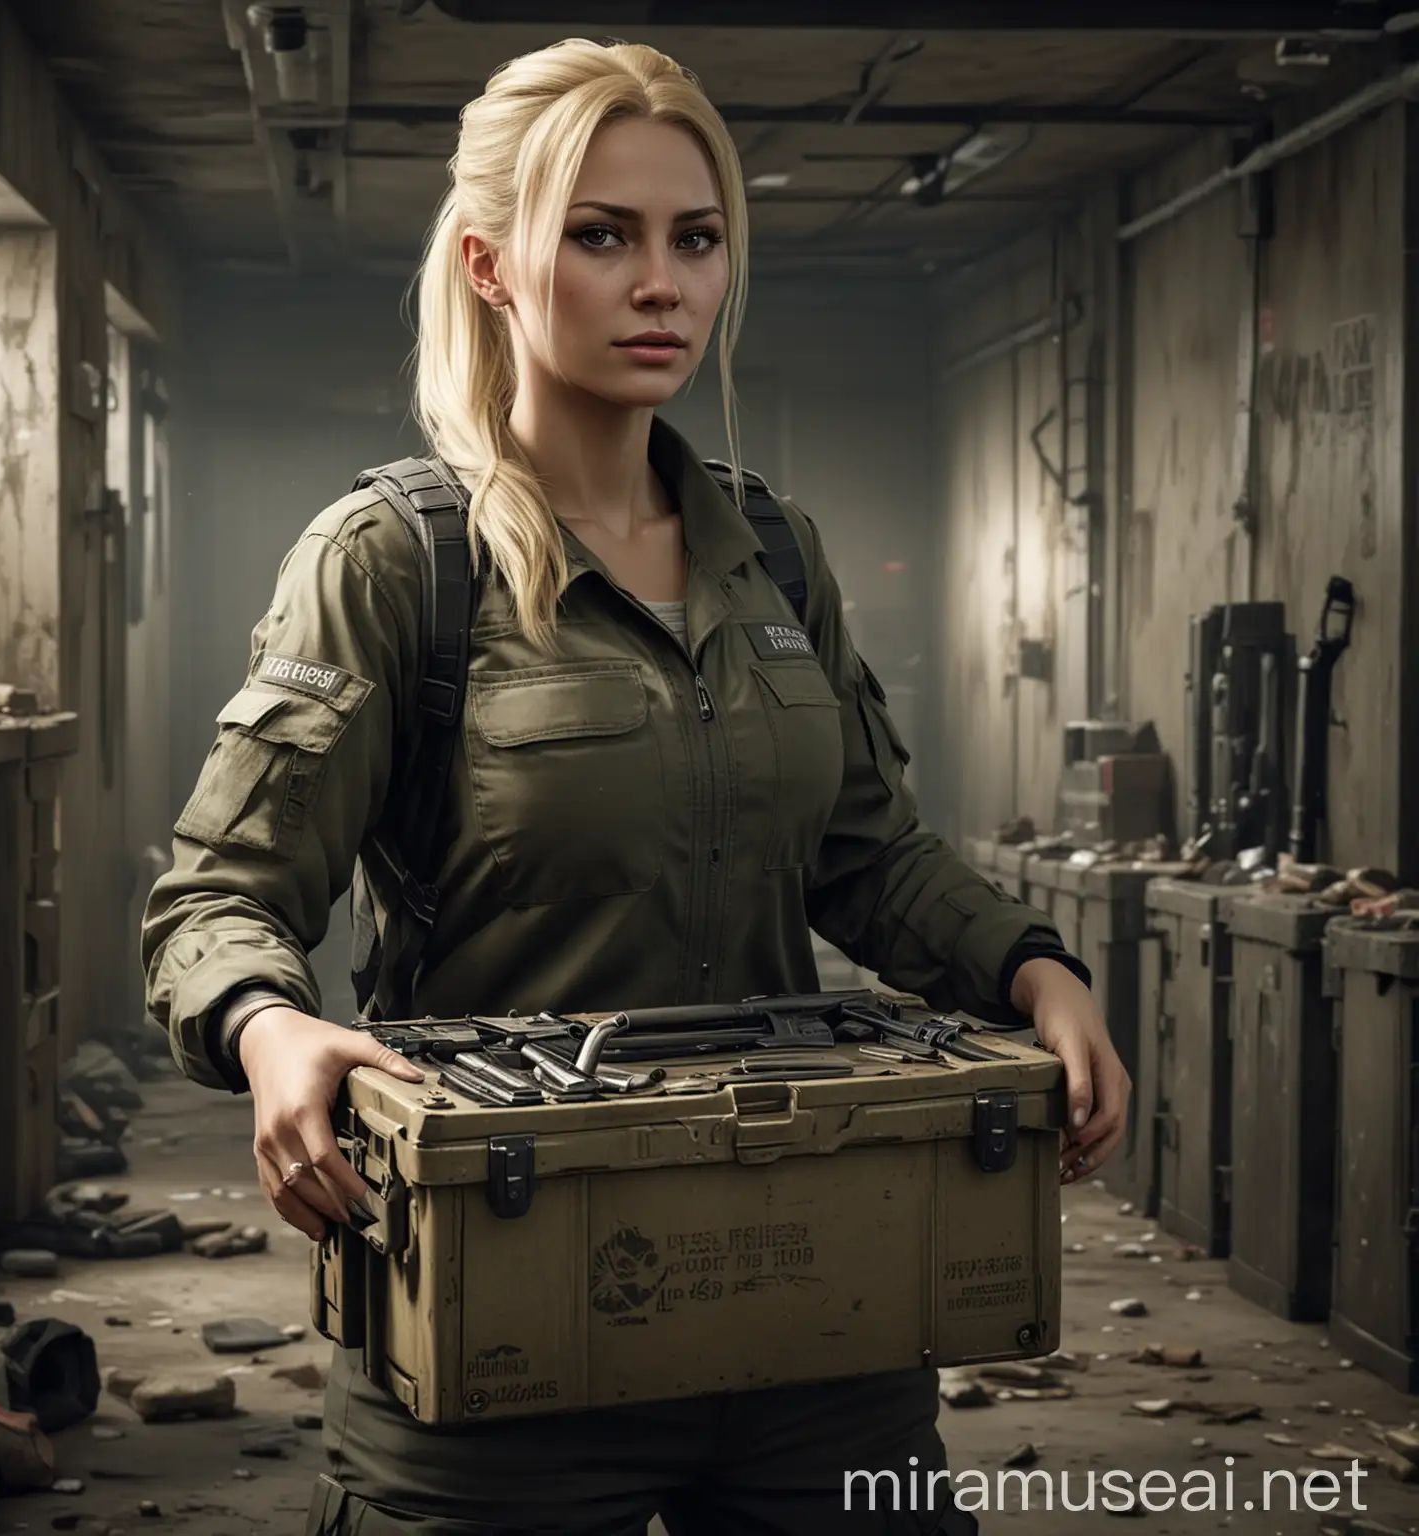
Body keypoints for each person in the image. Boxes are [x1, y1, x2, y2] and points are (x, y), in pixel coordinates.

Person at [142, 35, 1130, 1536]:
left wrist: (1035, 966)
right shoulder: (396, 566)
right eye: (600, 236)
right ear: (490, 265)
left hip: (815, 1298)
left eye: (696, 237)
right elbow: (217, 896)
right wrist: (272, 1031)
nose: (660, 283)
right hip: (506, 1304)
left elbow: (869, 854)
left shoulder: (779, 556)